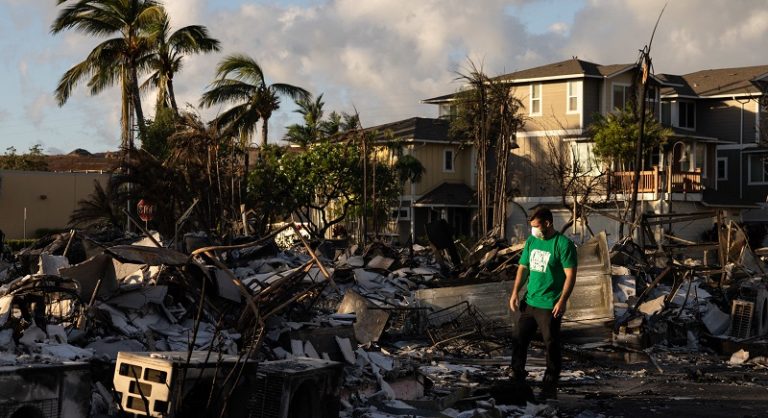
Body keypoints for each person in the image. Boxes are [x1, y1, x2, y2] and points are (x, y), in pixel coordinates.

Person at [508, 208, 578, 401]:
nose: (534, 231)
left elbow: (570, 276)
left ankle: (550, 381)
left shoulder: (563, 245)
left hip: (550, 304)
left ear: (548, 223)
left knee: (551, 343)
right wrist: (515, 292)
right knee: (518, 338)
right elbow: (523, 268)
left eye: (536, 226)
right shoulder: (531, 241)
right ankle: (517, 375)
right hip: (530, 301)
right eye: (531, 227)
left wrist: (562, 300)